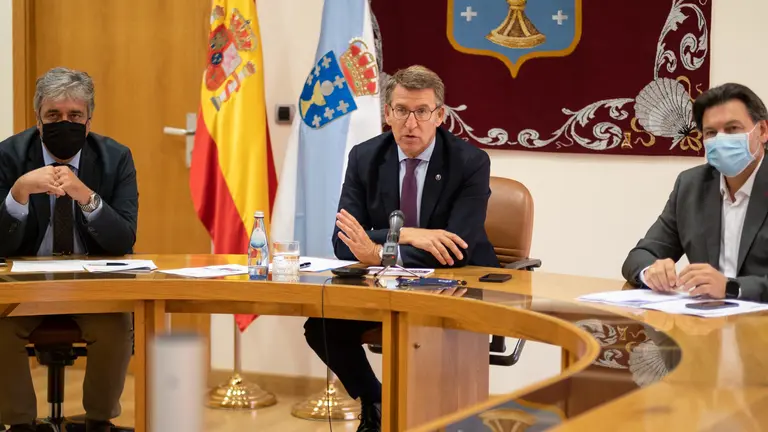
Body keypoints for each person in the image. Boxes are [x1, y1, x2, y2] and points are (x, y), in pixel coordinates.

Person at [304, 65, 498, 432]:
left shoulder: (470, 162)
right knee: (323, 327)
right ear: (387, 113)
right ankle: (377, 402)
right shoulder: (365, 158)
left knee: (426, 339)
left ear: (439, 115)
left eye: (422, 112)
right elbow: (344, 241)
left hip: (453, 286)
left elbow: (454, 248)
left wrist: (378, 251)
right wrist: (407, 235)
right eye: (401, 110)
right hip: (384, 289)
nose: (411, 123)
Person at [0, 67, 138, 432]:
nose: (65, 123)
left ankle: (98, 421)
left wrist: (87, 197)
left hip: (89, 284)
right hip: (24, 286)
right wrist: (18, 194)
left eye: (75, 116)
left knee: (116, 324)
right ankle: (19, 425)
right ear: (38, 119)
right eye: (54, 116)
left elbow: (124, 239)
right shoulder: (8, 156)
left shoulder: (115, 158)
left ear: (89, 120)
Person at [623, 83, 768, 302]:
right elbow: (639, 256)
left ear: (763, 131)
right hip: (705, 326)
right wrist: (652, 271)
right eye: (711, 132)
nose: (721, 140)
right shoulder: (691, 185)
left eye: (732, 129)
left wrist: (731, 287)